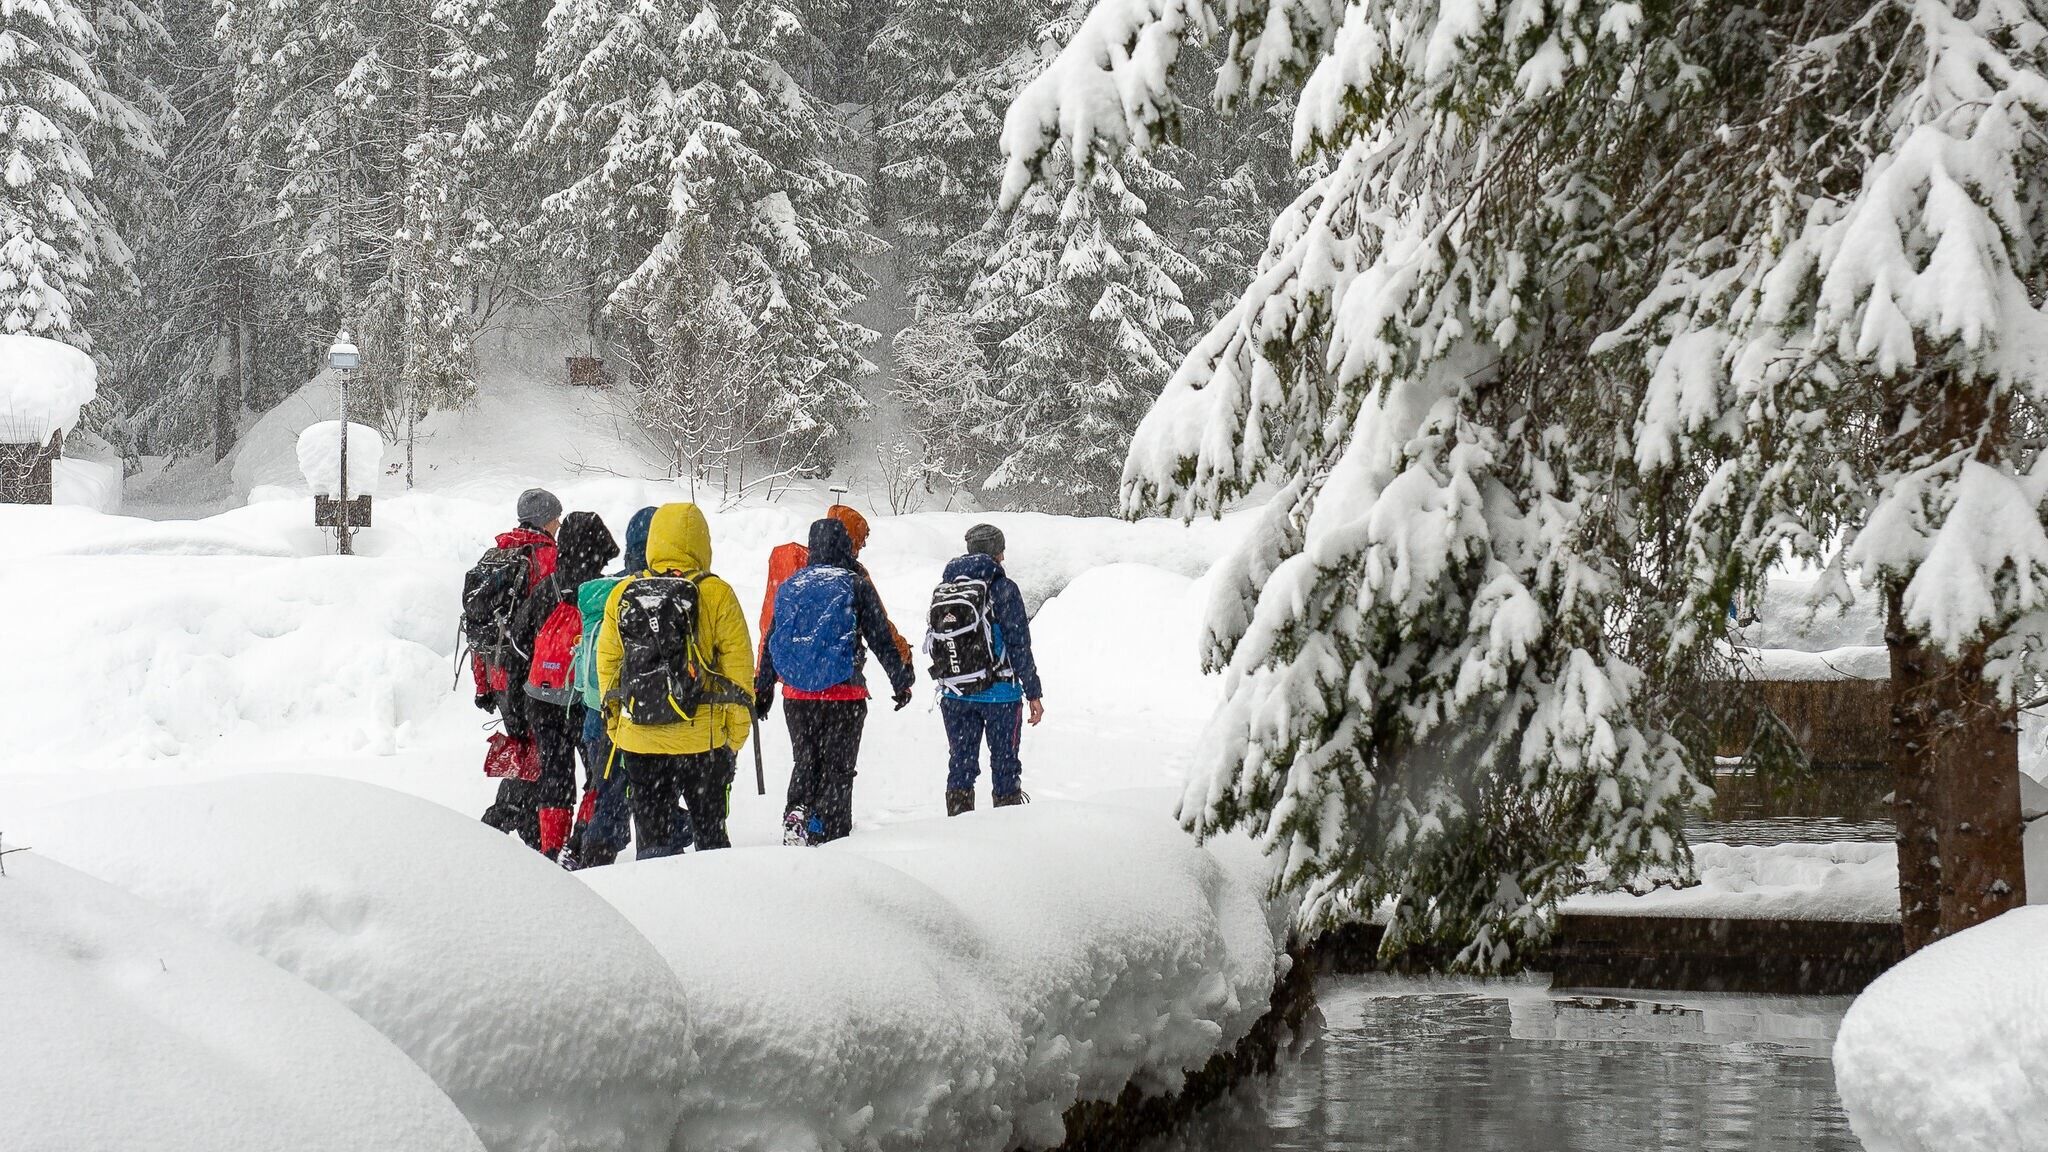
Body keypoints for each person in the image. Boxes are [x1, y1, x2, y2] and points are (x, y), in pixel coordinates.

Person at [594, 503, 755, 856]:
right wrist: (734, 737)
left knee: (653, 844)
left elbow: (607, 662)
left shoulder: (624, 592)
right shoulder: (716, 593)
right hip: (703, 741)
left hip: (641, 737)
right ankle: (716, 889)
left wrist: (616, 725)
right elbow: (738, 669)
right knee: (712, 840)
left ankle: (656, 888)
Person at [755, 516, 916, 845]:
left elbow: (773, 640)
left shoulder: (791, 586)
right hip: (844, 694)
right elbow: (881, 638)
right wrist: (900, 681)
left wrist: (763, 689)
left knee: (806, 761)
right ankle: (831, 833)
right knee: (837, 768)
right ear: (844, 546)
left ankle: (798, 811)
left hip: (797, 696)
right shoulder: (855, 584)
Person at [512, 510, 618, 861]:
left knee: (554, 774)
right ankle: (582, 839)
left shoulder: (547, 588)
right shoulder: (604, 592)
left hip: (541, 696)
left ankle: (551, 847)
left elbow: (519, 642)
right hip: (585, 697)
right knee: (597, 772)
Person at [927, 523, 1043, 815]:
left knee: (961, 764)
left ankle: (958, 824)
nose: (1003, 556)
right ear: (996, 553)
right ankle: (1005, 827)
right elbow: (1019, 644)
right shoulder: (1003, 588)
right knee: (1005, 765)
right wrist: (1033, 692)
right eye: (1001, 550)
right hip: (1000, 695)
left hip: (955, 692)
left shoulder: (947, 588)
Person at [472, 488, 562, 842]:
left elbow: (480, 629)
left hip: (499, 673)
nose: (558, 524)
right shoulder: (546, 557)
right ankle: (501, 824)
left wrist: (483, 685)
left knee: (525, 746)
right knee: (541, 753)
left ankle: (528, 832)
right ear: (544, 521)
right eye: (555, 518)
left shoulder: (496, 555)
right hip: (533, 674)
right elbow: (556, 624)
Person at [758, 504, 913, 667]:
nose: (862, 546)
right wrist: (902, 653)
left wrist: (764, 673)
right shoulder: (855, 575)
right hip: (841, 667)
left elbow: (774, 623)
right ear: (850, 538)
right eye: (861, 540)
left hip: (797, 669)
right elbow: (879, 625)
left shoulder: (801, 567)